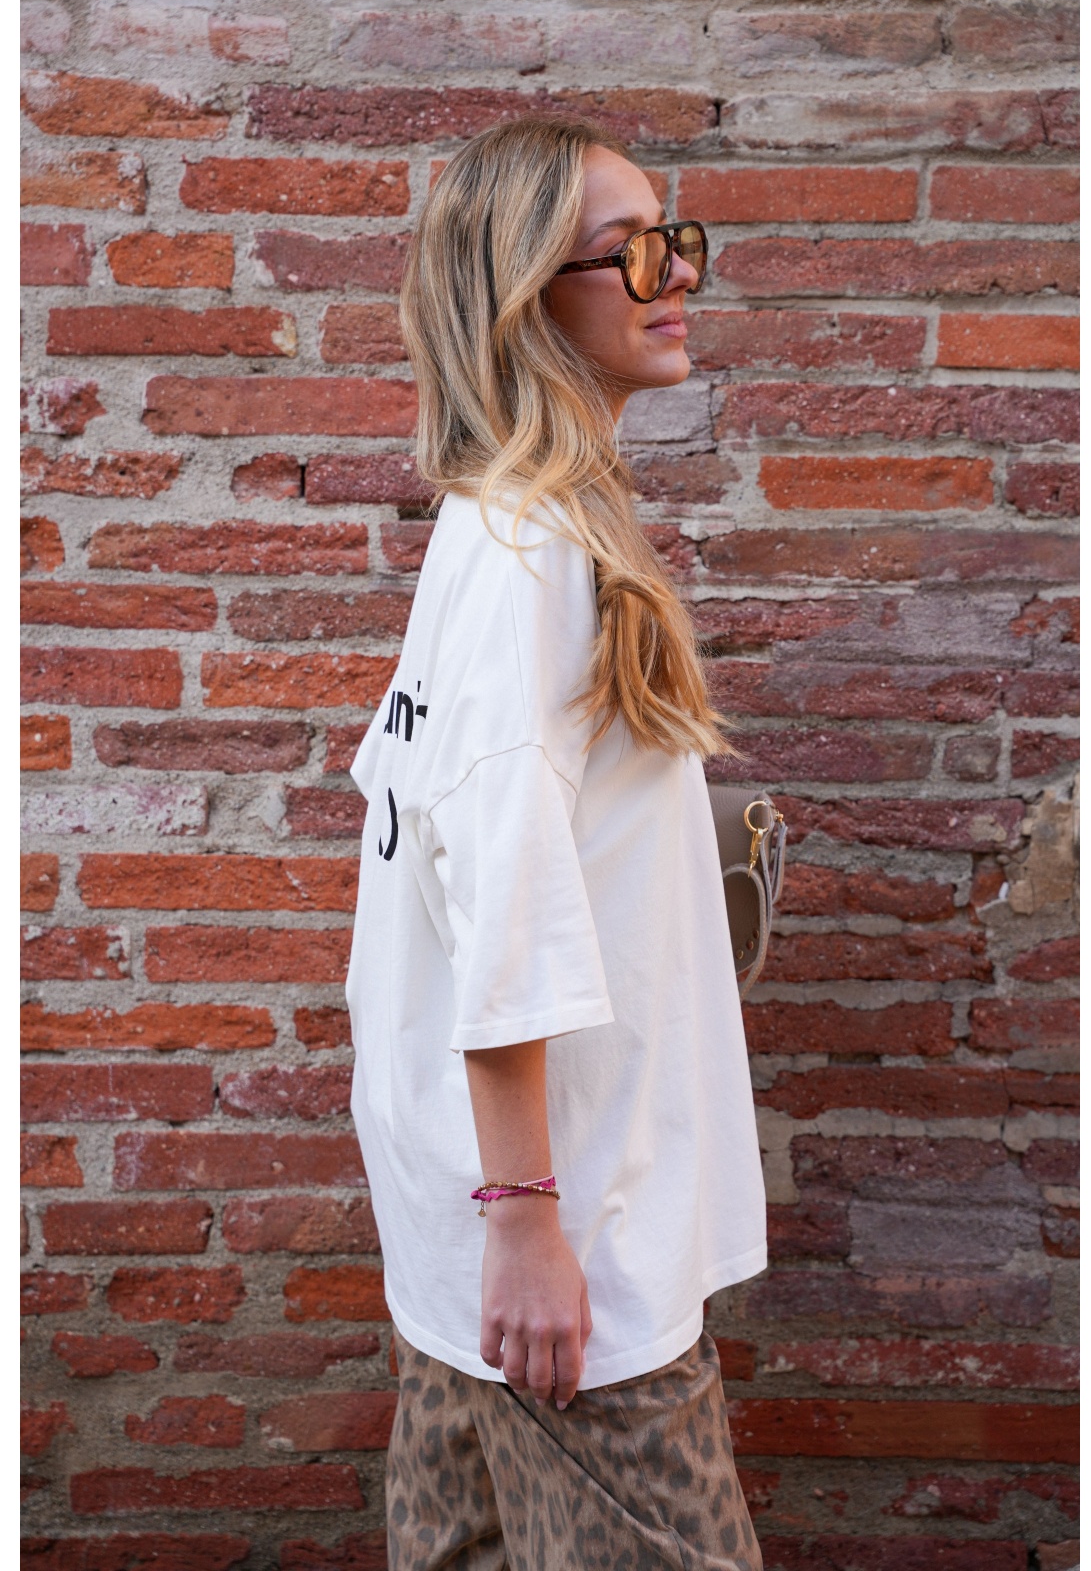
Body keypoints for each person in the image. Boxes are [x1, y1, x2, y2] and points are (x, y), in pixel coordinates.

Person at [344, 114, 766, 1569]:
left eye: (675, 239)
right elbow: (499, 897)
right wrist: (528, 1223)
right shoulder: (530, 553)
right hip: (563, 1230)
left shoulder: (502, 527)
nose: (676, 273)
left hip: (473, 1214)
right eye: (630, 252)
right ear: (527, 296)